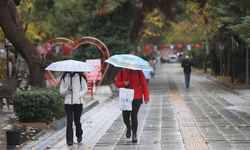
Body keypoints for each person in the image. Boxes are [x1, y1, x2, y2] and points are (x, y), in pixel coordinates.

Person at [115, 68, 149, 143]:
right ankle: (128, 126)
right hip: (126, 98)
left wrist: (146, 97)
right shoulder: (122, 71)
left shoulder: (139, 72)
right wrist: (124, 83)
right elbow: (117, 84)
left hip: (136, 97)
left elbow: (144, 84)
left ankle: (134, 135)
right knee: (125, 116)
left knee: (134, 116)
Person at [59, 72, 87, 146]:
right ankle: (69, 140)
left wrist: (78, 95)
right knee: (69, 121)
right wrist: (67, 89)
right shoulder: (64, 78)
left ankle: (79, 134)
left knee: (77, 121)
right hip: (68, 104)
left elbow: (85, 89)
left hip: (78, 103)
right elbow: (61, 92)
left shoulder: (81, 77)